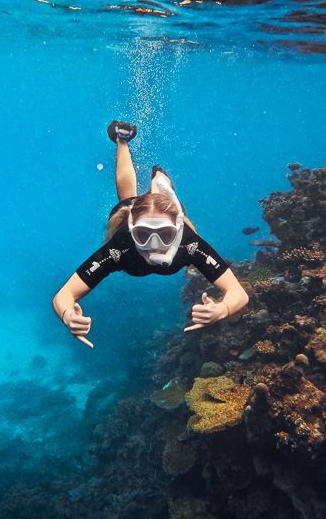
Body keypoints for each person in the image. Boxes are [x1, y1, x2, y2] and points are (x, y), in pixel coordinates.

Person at [52, 120, 249, 348]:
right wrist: (68, 315)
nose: (154, 245)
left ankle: (161, 185)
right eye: (144, 234)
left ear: (176, 230)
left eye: (164, 235)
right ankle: (123, 142)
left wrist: (222, 309)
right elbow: (63, 296)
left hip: (166, 217)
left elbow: (238, 294)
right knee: (127, 201)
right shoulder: (120, 245)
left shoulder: (188, 242)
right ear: (132, 227)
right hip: (135, 212)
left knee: (162, 207)